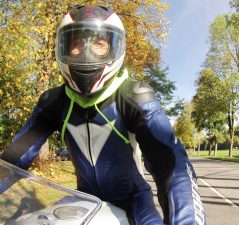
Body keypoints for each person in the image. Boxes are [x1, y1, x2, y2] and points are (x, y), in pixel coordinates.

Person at [0, 6, 206, 225]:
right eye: (76, 43)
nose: (86, 52)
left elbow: (172, 165)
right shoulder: (54, 102)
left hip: (135, 203)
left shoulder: (133, 96)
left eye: (99, 43)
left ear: (116, 48)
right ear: (63, 49)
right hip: (84, 201)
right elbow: (13, 159)